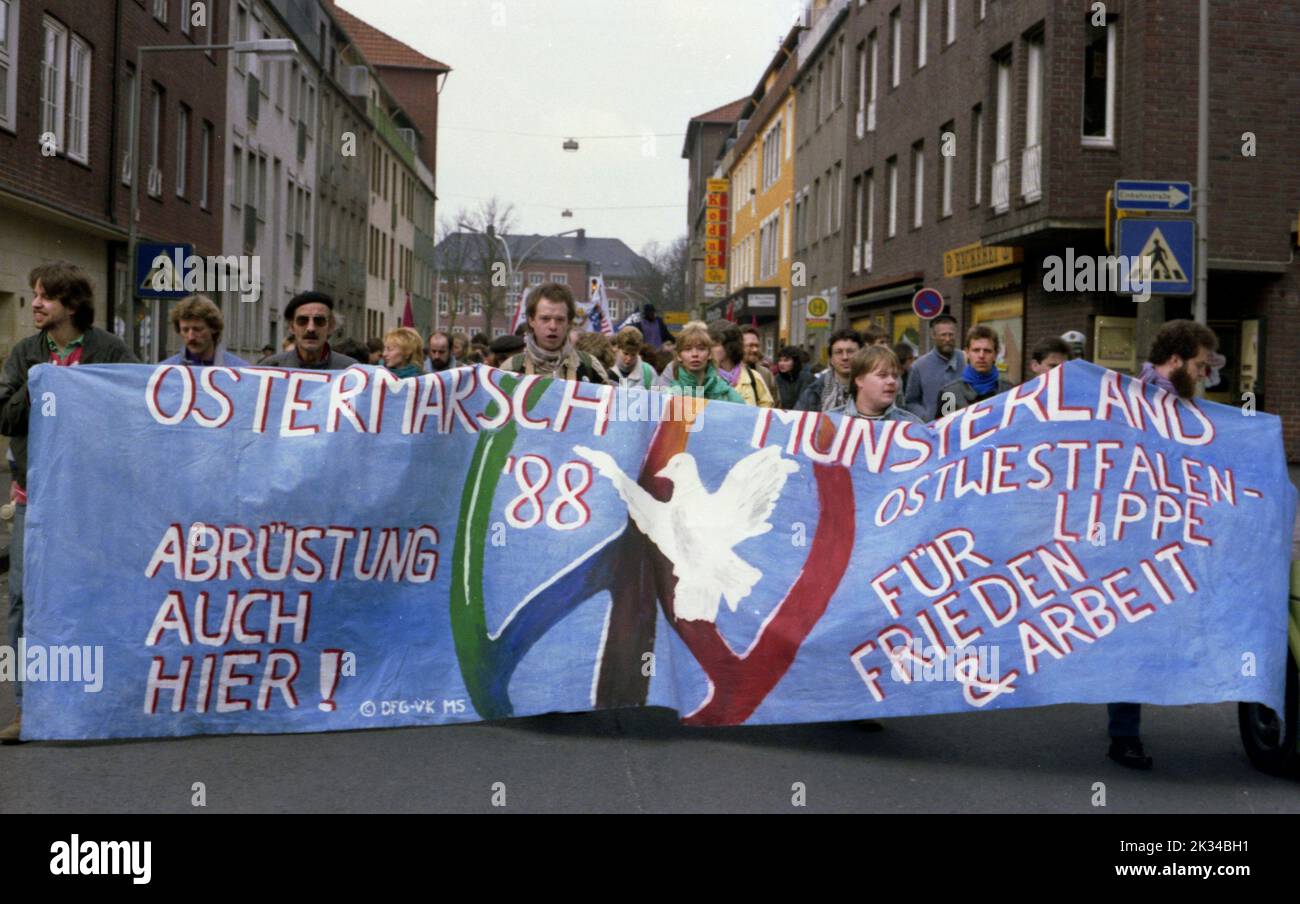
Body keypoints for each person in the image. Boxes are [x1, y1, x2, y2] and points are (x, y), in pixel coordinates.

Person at [0, 262, 138, 744]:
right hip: (34, 500)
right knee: (22, 600)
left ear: (72, 305)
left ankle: (97, 700)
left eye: (45, 296)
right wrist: (39, 383)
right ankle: (28, 706)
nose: (35, 303)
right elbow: (5, 418)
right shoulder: (25, 353)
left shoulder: (109, 351)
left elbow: (133, 415)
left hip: (91, 501)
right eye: (34, 295)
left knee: (93, 594)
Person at [1103, 320, 1218, 772]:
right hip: (1131, 538)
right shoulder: (1131, 403)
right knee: (1132, 631)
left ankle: (1126, 720)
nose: (1205, 374)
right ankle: (1123, 735)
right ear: (1175, 361)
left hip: (1169, 535)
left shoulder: (1186, 407)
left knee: (1150, 629)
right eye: (1200, 365)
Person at [500, 282, 609, 383]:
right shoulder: (511, 369)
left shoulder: (589, 367)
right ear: (531, 320)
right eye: (545, 318)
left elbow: (609, 401)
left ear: (569, 322)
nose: (553, 326)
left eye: (560, 319)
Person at [935, 325, 1013, 419]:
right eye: (976, 350)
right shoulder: (949, 394)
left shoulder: (1009, 391)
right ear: (967, 352)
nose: (981, 355)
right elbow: (943, 430)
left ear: (995, 354)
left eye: (987, 351)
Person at [264, 292, 357, 370]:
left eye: (319, 321)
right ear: (291, 327)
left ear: (331, 326)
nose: (311, 328)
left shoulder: (349, 370)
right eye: (302, 321)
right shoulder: (272, 368)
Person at [839, 345, 924, 423]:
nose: (892, 381)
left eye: (895, 376)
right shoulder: (831, 423)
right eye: (882, 375)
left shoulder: (911, 425)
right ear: (859, 380)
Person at [903, 314, 965, 420]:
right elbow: (911, 402)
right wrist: (925, 415)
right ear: (933, 336)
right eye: (943, 335)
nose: (947, 339)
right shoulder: (919, 366)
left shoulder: (965, 360)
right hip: (933, 428)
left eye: (951, 335)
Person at [662, 321, 743, 402]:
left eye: (701, 348)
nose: (695, 354)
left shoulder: (726, 393)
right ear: (679, 356)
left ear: (710, 354)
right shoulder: (666, 394)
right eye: (687, 349)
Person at [160, 294, 249, 367]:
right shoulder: (165, 371)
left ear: (213, 328)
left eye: (198, 329)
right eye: (185, 330)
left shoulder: (240, 370)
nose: (191, 337)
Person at [708, 320, 773, 408]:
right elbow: (690, 415)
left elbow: (766, 413)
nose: (709, 350)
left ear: (729, 346)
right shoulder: (702, 378)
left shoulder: (754, 377)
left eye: (714, 345)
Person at [796, 328, 861, 412]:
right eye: (838, 352)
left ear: (862, 355)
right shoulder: (813, 392)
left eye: (850, 351)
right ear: (831, 359)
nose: (845, 357)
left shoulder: (874, 388)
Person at [774, 346, 814, 410]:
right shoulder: (776, 379)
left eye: (786, 360)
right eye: (780, 360)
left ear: (795, 362)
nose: (781, 363)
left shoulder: (807, 378)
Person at [741, 326, 777, 396]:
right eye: (750, 345)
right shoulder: (730, 374)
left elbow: (775, 403)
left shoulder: (766, 374)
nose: (755, 350)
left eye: (757, 346)